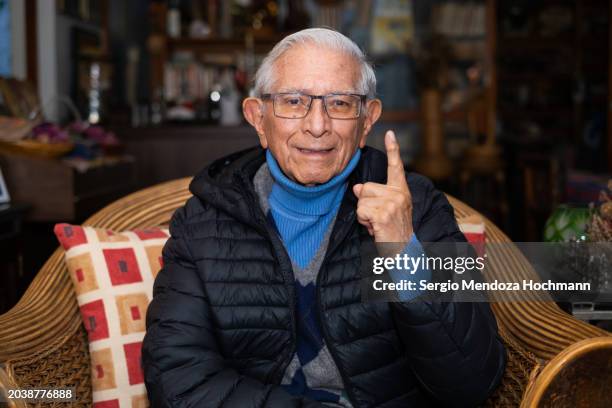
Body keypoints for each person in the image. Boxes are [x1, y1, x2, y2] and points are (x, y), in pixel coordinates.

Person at [142, 28, 505, 408]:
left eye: (341, 103)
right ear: (258, 118)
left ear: (367, 120)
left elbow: (473, 381)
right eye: (294, 101)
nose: (317, 126)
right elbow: (177, 382)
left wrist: (403, 253)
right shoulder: (202, 223)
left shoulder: (417, 207)